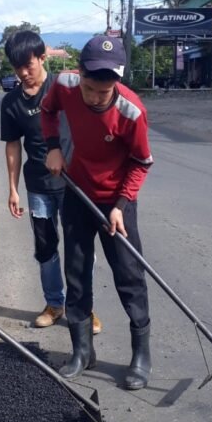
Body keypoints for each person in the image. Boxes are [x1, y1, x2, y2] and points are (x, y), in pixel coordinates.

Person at [41, 35, 153, 390]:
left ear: (117, 83)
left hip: (117, 200)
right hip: (77, 191)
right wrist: (54, 148)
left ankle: (141, 355)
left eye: (103, 93)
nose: (93, 98)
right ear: (79, 75)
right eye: (89, 89)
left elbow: (140, 162)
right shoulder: (64, 84)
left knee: (128, 275)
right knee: (75, 272)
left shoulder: (131, 112)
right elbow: (47, 111)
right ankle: (82, 350)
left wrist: (121, 206)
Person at [0, 29, 101, 333]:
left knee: (78, 248)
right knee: (45, 248)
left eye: (28, 66)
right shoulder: (11, 103)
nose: (23, 73)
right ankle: (55, 305)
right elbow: (13, 146)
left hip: (73, 184)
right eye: (17, 67)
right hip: (39, 187)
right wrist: (13, 189)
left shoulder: (66, 88)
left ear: (43, 58)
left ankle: (83, 308)